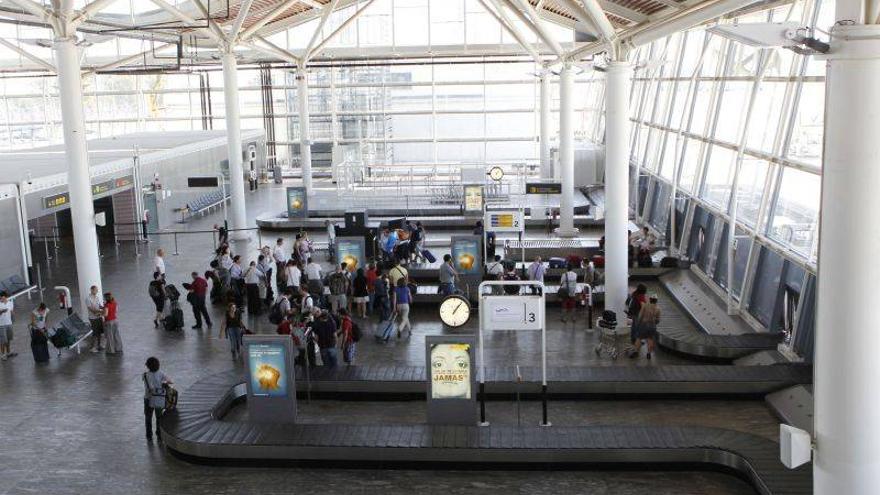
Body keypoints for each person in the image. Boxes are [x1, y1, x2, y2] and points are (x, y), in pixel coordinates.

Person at [142, 357, 172, 441]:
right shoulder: (161, 373)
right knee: (159, 418)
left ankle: (149, 435)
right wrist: (163, 384)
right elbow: (170, 381)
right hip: (159, 399)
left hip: (148, 399)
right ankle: (159, 434)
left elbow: (150, 388)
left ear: (148, 366)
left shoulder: (145, 375)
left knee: (148, 418)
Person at [632, 294, 661, 359]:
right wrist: (654, 322)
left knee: (639, 338)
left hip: (644, 324)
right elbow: (658, 320)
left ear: (650, 299)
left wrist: (638, 324)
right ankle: (648, 353)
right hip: (652, 326)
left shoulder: (645, 306)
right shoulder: (658, 309)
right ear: (656, 301)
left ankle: (636, 352)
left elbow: (640, 316)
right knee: (650, 339)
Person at [86, 285, 105, 353]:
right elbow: (91, 309)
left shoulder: (96, 297)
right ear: (91, 290)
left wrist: (104, 307)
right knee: (95, 332)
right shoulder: (88, 299)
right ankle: (92, 347)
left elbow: (99, 305)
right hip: (93, 318)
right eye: (95, 290)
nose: (97, 291)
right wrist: (101, 311)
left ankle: (99, 345)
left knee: (99, 331)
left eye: (97, 290)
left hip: (98, 317)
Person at [0, 291, 14, 360]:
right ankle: (2, 355)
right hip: (1, 325)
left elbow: (11, 312)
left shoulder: (10, 303)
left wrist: (12, 321)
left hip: (9, 323)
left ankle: (8, 352)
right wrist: (1, 312)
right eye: (0, 298)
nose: (1, 299)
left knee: (8, 339)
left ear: (6, 297)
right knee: (2, 341)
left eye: (2, 298)